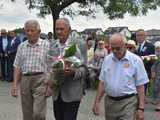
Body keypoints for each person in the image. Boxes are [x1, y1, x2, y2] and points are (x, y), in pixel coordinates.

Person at [92, 33, 149, 120]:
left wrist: (141, 108)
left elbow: (140, 85)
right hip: (110, 103)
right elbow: (102, 83)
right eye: (112, 48)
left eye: (118, 48)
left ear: (125, 46)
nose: (114, 51)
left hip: (128, 102)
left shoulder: (136, 60)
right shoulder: (107, 60)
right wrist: (97, 102)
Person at [11, 20, 52, 120]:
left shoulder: (46, 45)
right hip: (25, 79)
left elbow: (52, 66)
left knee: (38, 113)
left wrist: (50, 86)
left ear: (39, 32)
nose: (29, 33)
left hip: (41, 79)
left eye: (32, 30)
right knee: (27, 113)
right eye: (27, 31)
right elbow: (17, 66)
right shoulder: (21, 46)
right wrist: (14, 85)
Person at [50, 18, 87, 120]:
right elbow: (49, 64)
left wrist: (73, 72)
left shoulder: (79, 44)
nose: (59, 32)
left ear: (69, 29)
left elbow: (85, 69)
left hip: (73, 92)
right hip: (57, 92)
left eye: (62, 29)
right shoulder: (53, 45)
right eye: (57, 29)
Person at [136, 29, 155, 95]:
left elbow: (153, 58)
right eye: (137, 35)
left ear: (145, 36)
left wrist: (143, 58)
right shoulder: (134, 46)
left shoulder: (150, 46)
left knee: (143, 89)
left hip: (146, 70)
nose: (139, 37)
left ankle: (141, 103)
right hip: (135, 71)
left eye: (141, 35)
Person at [151, 41, 160, 111]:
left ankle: (158, 104)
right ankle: (157, 103)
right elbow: (152, 65)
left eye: (159, 48)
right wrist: (153, 72)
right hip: (156, 73)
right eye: (157, 48)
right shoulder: (153, 56)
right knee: (155, 88)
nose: (158, 49)